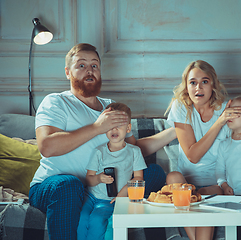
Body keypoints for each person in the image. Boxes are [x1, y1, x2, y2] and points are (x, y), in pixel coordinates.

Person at [29, 43, 176, 240]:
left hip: (101, 189)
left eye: (94, 65)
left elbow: (134, 149)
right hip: (54, 186)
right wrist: (97, 127)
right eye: (81, 66)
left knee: (154, 173)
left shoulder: (111, 106)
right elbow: (47, 146)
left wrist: (175, 131)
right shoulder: (56, 102)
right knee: (69, 185)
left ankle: (109, 211)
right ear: (67, 72)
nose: (89, 70)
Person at [165, 60, 241, 240]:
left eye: (205, 81)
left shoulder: (228, 108)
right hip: (186, 179)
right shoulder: (181, 107)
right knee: (173, 178)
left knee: (206, 200)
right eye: (193, 82)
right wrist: (219, 122)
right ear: (186, 86)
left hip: (216, 184)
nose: (198, 88)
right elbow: (193, 156)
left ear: (213, 85)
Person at [77, 102, 146, 240]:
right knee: (81, 218)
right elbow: (89, 179)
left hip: (111, 199)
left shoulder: (134, 152)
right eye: (110, 126)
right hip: (91, 196)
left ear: (128, 128)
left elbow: (138, 178)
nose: (114, 130)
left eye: (119, 125)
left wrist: (122, 194)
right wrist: (99, 178)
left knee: (97, 220)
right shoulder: (98, 151)